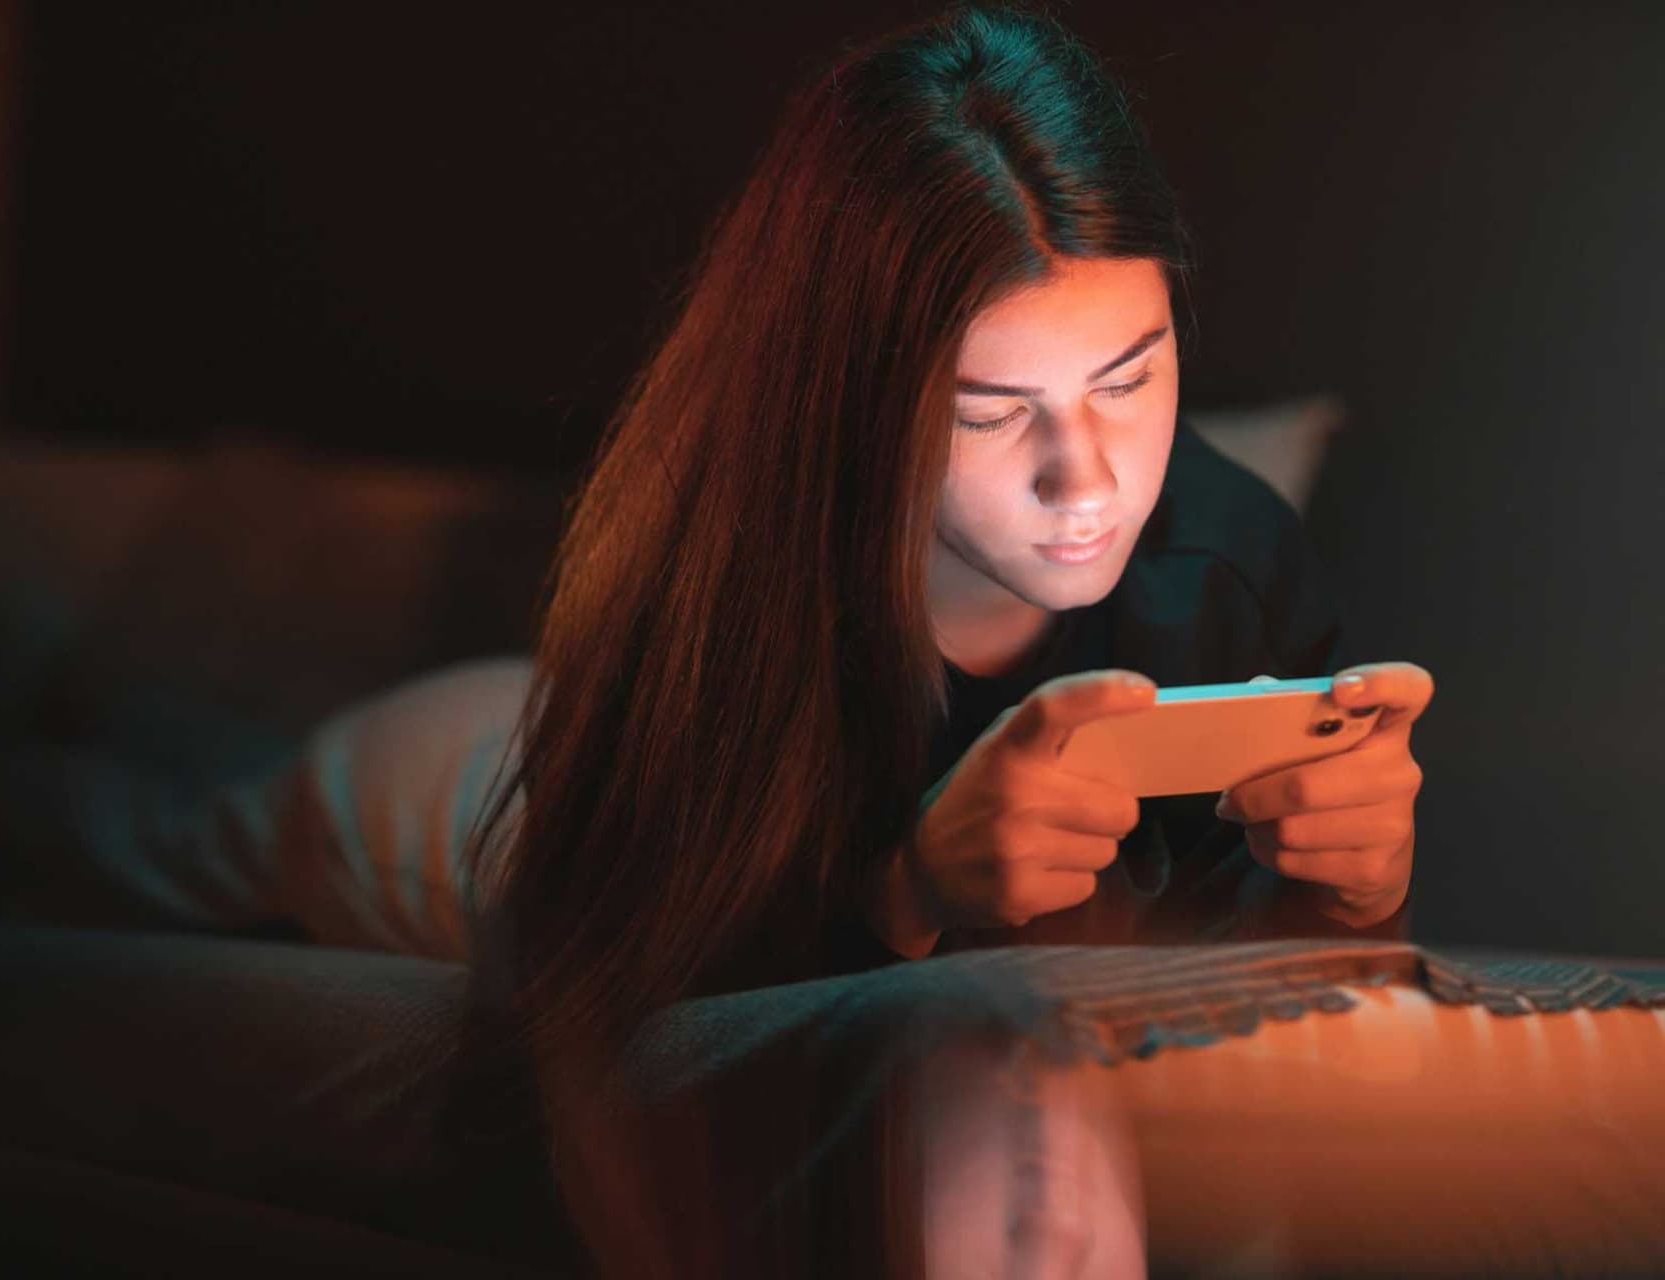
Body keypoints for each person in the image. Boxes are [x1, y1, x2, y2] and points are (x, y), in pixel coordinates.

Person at [430, 3, 1434, 1272]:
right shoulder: (711, 571)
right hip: (496, 783)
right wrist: (902, 893)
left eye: (1126, 379)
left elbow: (1261, 1043)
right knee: (240, 827)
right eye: (985, 413)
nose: (1085, 481)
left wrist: (1350, 887)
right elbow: (589, 1026)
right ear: (855, 392)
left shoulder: (1224, 555)